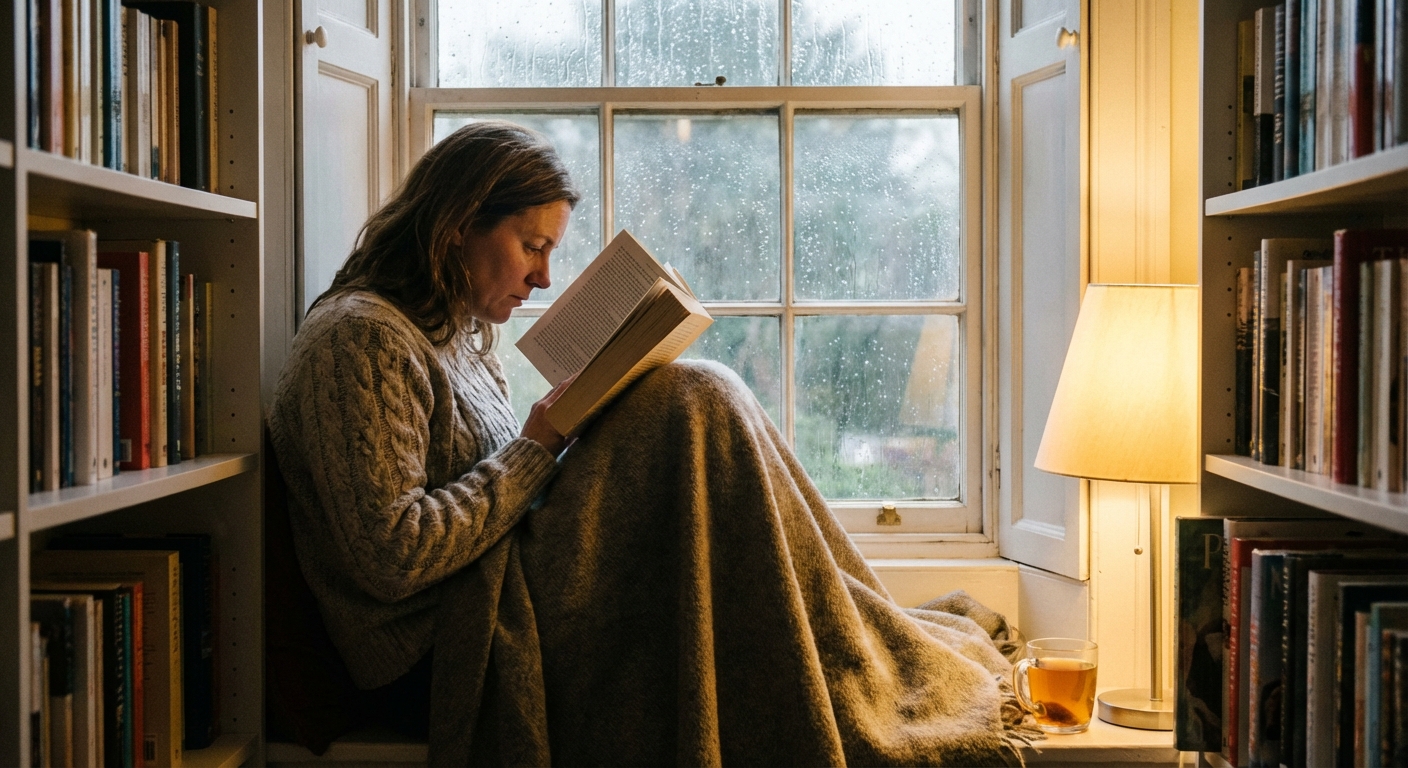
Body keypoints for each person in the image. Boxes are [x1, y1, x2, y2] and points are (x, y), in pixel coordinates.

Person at [269, 121, 1036, 766]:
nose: (542, 278)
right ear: (458, 223)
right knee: (693, 397)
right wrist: (539, 446)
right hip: (447, 650)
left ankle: (855, 628)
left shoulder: (457, 339)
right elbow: (392, 557)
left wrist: (568, 431)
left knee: (700, 398)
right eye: (531, 245)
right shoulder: (358, 340)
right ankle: (863, 638)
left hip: (500, 596)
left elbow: (501, 492)